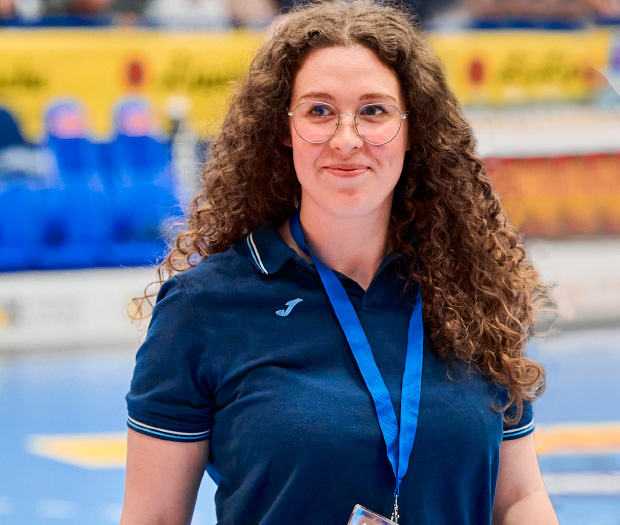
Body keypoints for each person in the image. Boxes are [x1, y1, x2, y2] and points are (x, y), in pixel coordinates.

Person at [121, 1, 559, 523]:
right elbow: (153, 517)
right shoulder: (202, 308)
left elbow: (519, 498)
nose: (346, 140)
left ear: (412, 130)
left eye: (373, 111)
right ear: (283, 129)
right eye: (319, 111)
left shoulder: (471, 291)